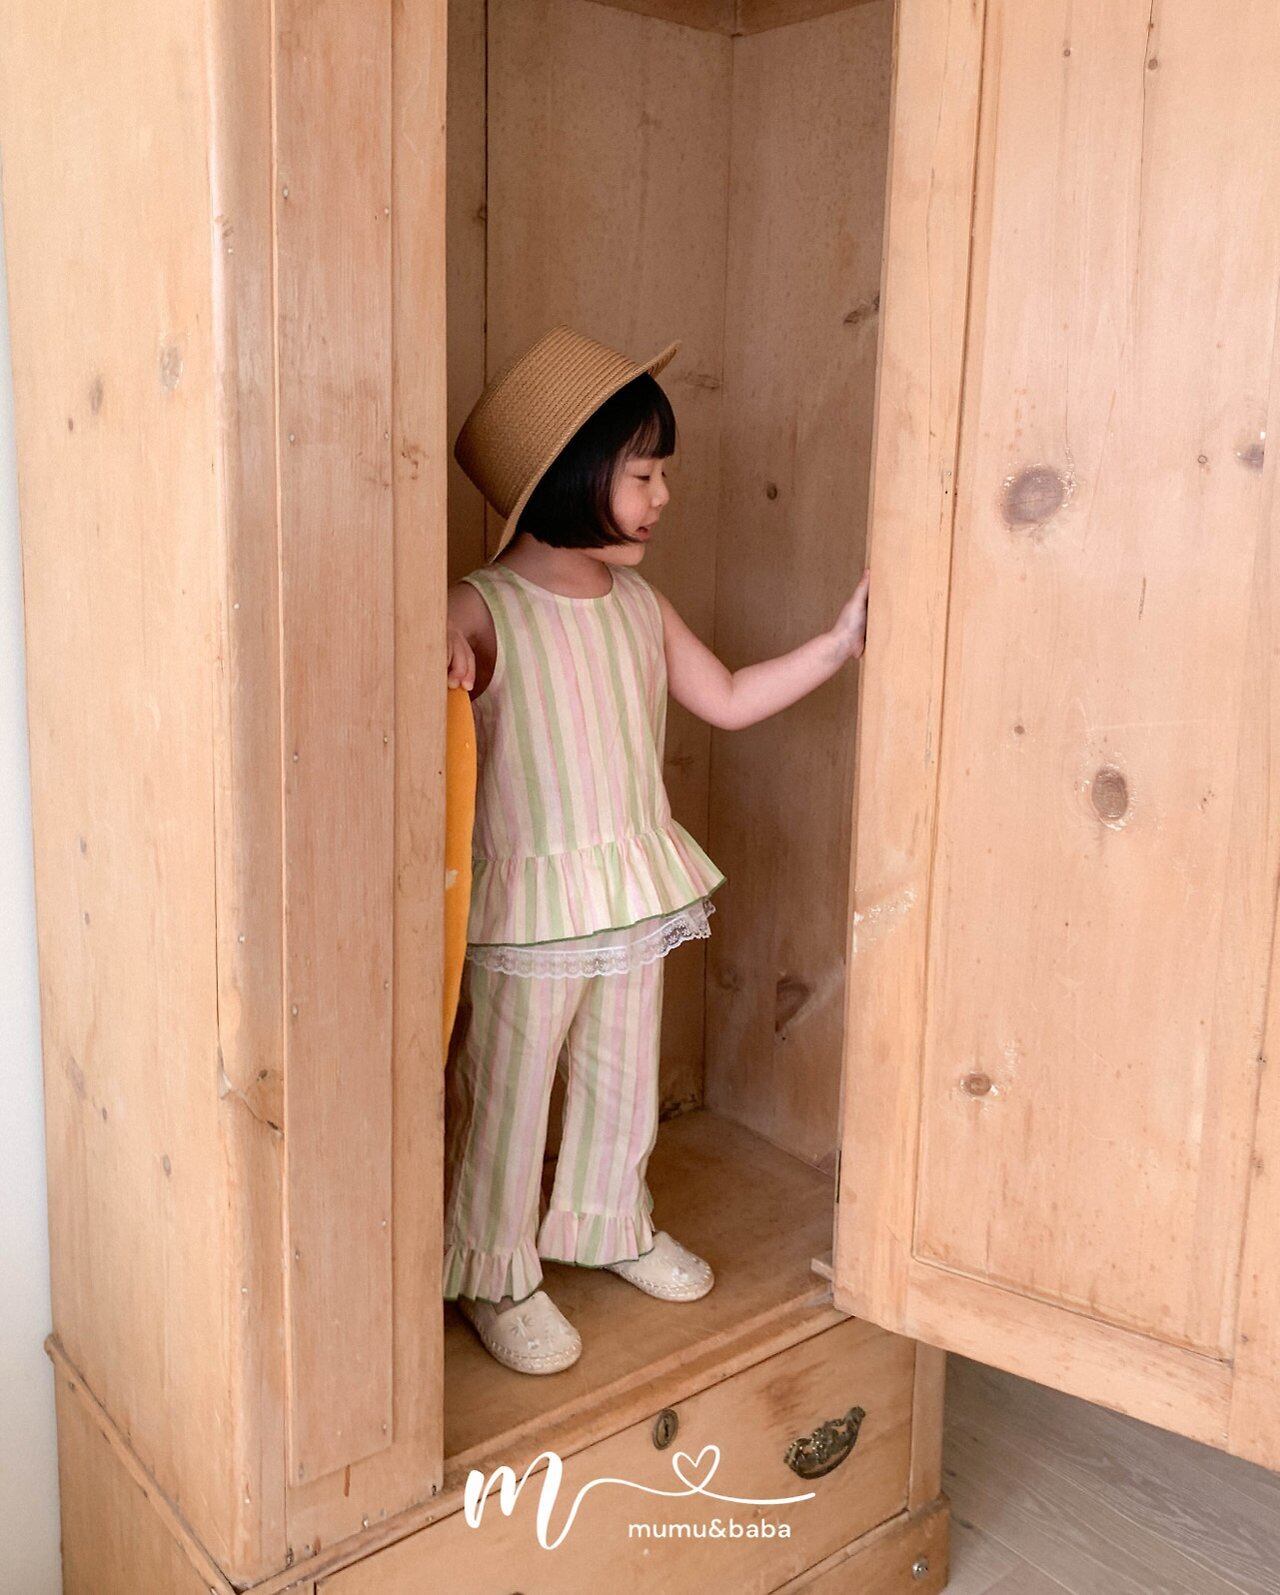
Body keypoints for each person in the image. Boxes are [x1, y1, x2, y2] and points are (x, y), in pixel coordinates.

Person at [444, 325, 870, 1374]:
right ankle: (493, 1267)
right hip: (531, 906)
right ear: (570, 476)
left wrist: (835, 644)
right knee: (505, 1093)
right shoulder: (480, 606)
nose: (663, 495)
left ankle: (607, 1219)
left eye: (660, 473)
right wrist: (429, 638)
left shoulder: (638, 603)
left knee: (622, 1071)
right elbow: (414, 667)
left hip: (632, 889)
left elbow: (725, 696)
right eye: (643, 474)